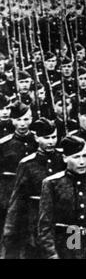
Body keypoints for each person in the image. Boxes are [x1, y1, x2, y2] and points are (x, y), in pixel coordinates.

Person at [37, 135, 86, 259]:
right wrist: (52, 254)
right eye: (76, 157)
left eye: (85, 156)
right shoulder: (53, 183)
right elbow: (45, 225)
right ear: (65, 158)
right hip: (68, 241)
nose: (82, 162)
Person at [3, 118, 65, 258]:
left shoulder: (65, 159)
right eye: (46, 138)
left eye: (54, 137)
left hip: (65, 223)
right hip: (36, 224)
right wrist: (9, 233)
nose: (51, 142)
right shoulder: (27, 164)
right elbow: (17, 201)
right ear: (36, 137)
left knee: (72, 251)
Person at [0, 102, 37, 240]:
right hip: (9, 197)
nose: (22, 124)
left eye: (26, 119)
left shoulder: (38, 141)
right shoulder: (4, 145)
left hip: (34, 196)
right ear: (12, 121)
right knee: (10, 236)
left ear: (32, 119)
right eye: (18, 119)